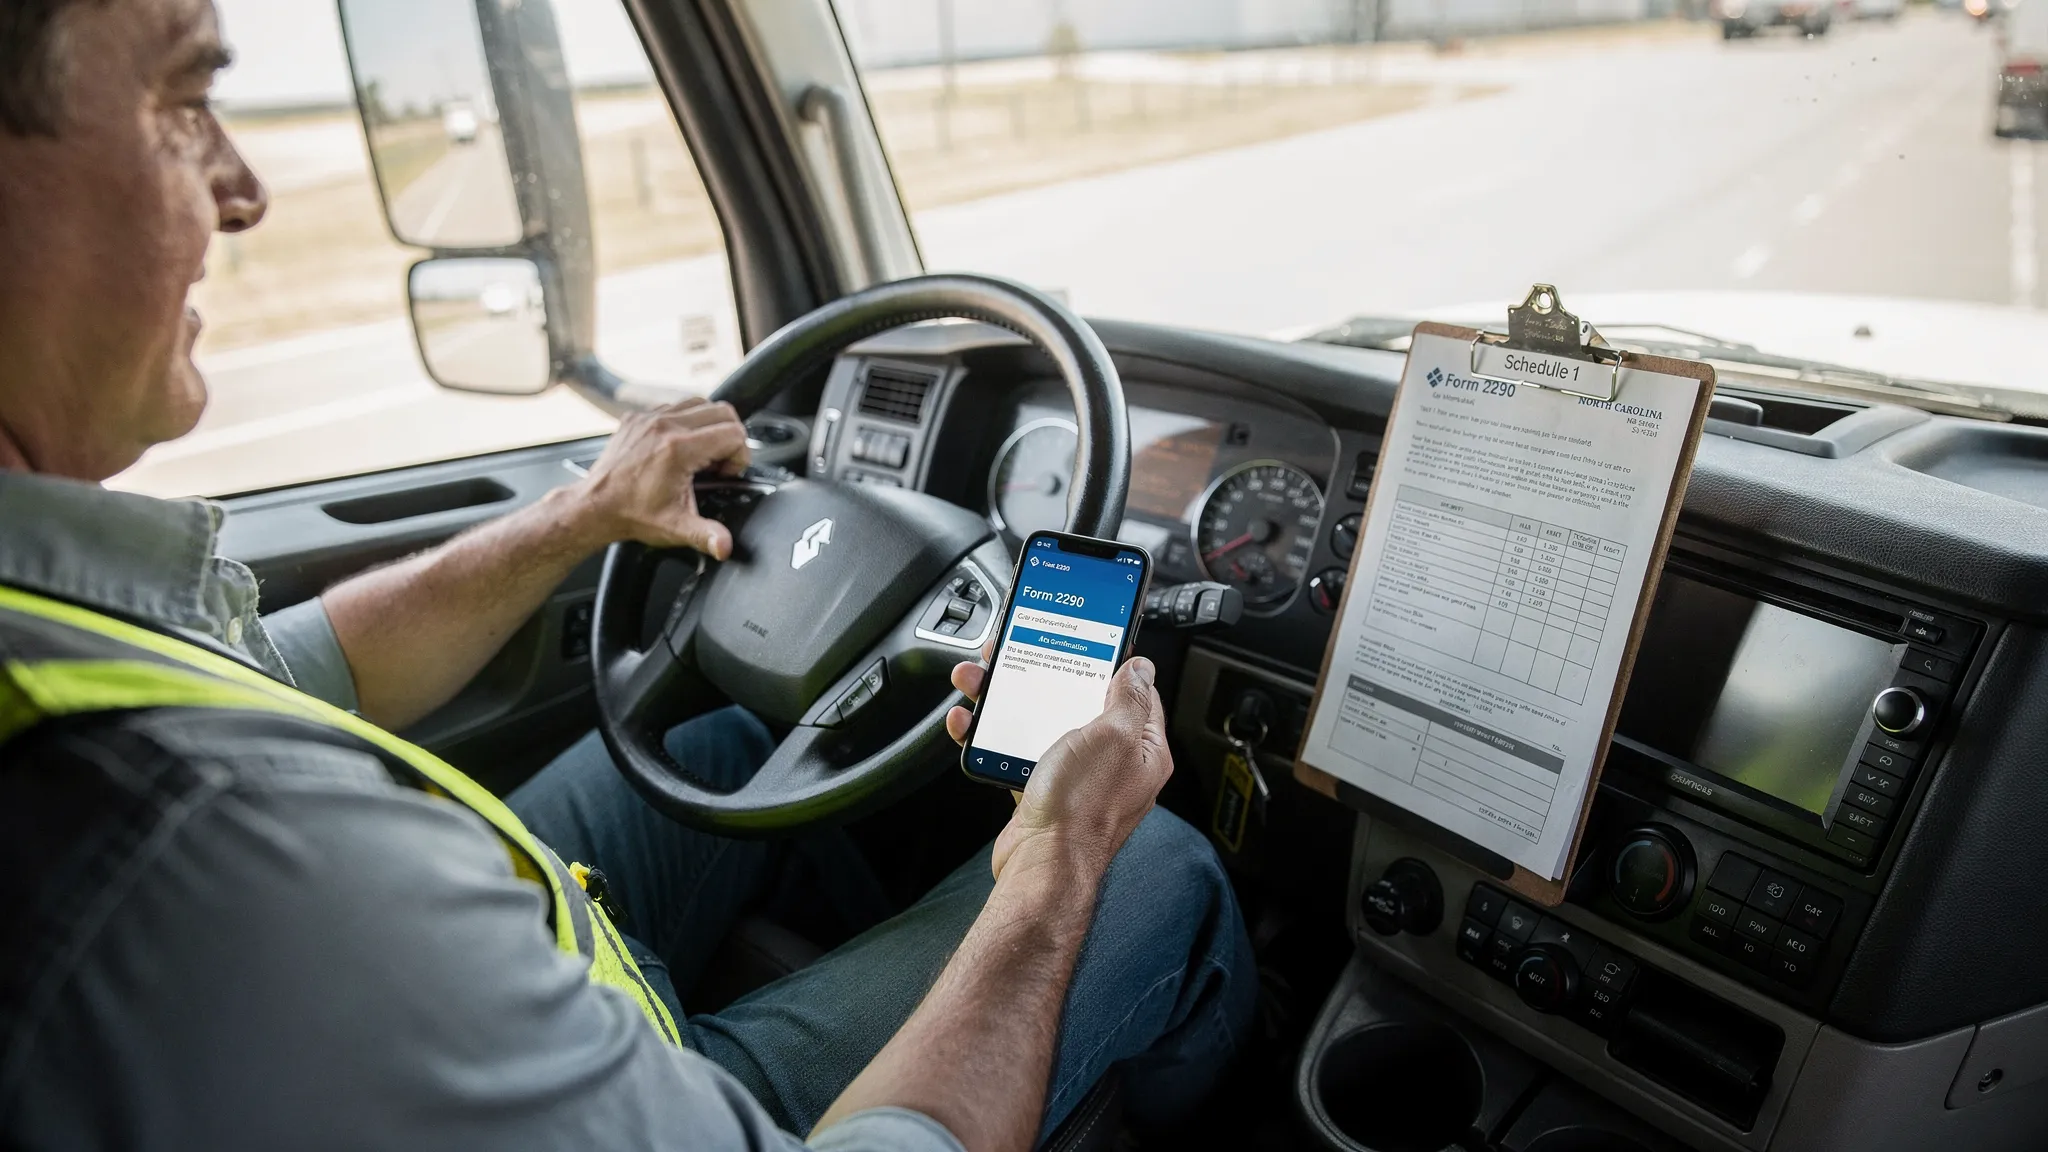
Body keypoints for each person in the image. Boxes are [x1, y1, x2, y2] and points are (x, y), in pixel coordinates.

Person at [0, 1, 1256, 1149]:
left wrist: (581, 517)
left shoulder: (55, 624)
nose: (242, 189)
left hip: (503, 954)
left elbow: (301, 669)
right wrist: (1051, 864)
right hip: (646, 1074)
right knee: (1156, 869)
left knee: (711, 733)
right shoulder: (196, 837)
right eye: (178, 105)